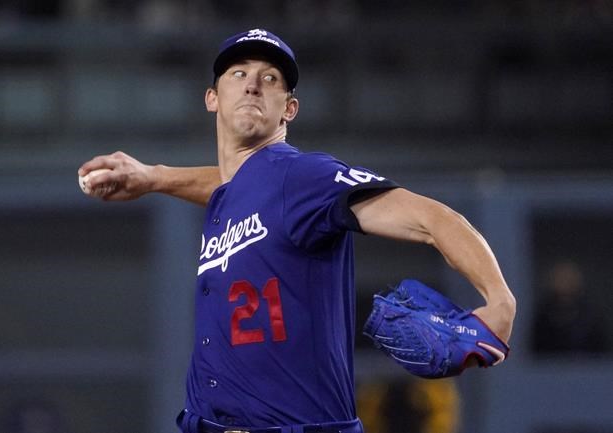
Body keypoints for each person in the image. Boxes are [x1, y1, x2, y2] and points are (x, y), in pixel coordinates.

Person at [78, 28, 516, 433]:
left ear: (290, 109)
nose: (253, 83)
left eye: (271, 78)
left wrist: (499, 300)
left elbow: (432, 219)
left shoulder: (305, 177)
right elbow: (238, 186)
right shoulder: (242, 192)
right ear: (212, 97)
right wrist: (154, 177)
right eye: (239, 73)